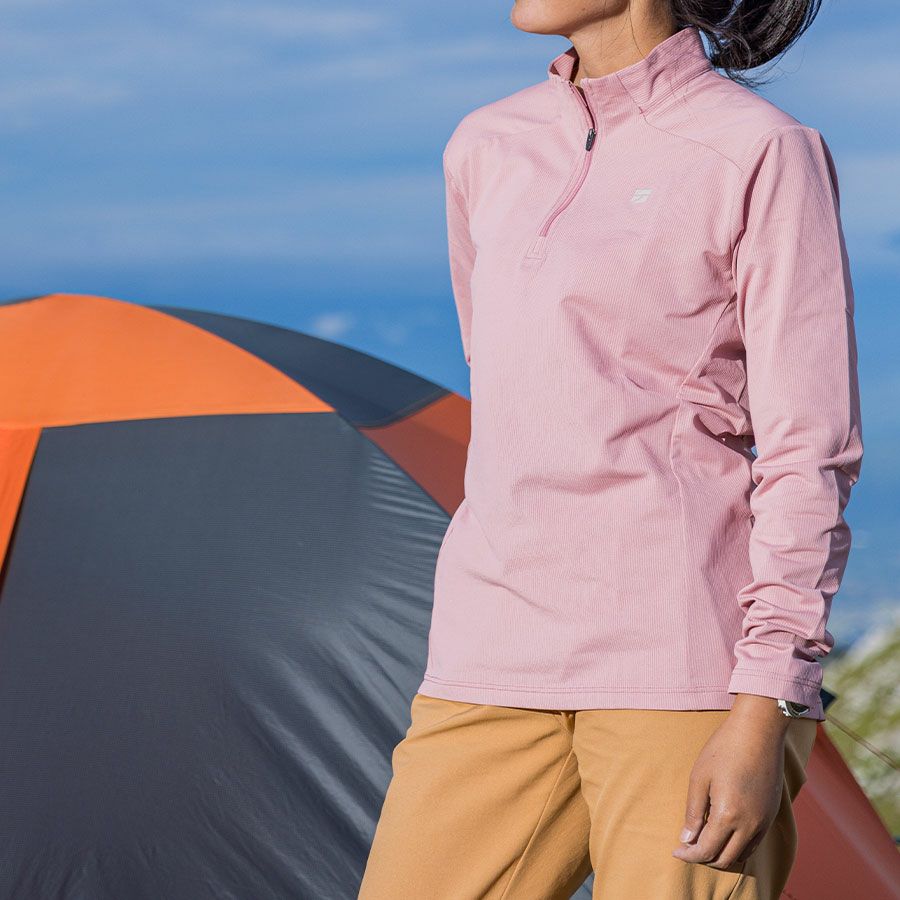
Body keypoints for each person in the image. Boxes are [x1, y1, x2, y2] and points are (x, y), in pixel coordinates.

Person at [359, 1, 863, 897]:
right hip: (493, 646)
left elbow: (808, 449)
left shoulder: (759, 150)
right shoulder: (485, 145)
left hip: (683, 667)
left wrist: (766, 703)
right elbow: (511, 396)